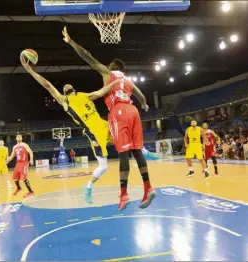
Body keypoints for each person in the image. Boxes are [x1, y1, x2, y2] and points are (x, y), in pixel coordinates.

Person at [62, 26, 156, 211]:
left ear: (114, 67)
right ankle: (148, 187)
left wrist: (71, 42)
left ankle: (123, 195)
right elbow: (142, 98)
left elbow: (87, 57)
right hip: (134, 111)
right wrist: (144, 106)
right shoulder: (128, 81)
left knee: (123, 153)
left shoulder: (108, 74)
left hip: (118, 112)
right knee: (136, 151)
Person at [21, 54, 120, 204]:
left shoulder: (84, 95)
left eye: (67, 85)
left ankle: (143, 153)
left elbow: (100, 92)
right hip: (93, 132)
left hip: (103, 124)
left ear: (73, 87)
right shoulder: (65, 101)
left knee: (125, 136)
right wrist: (30, 71)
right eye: (63, 86)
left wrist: (115, 83)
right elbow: (47, 84)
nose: (65, 85)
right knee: (104, 166)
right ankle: (88, 187)